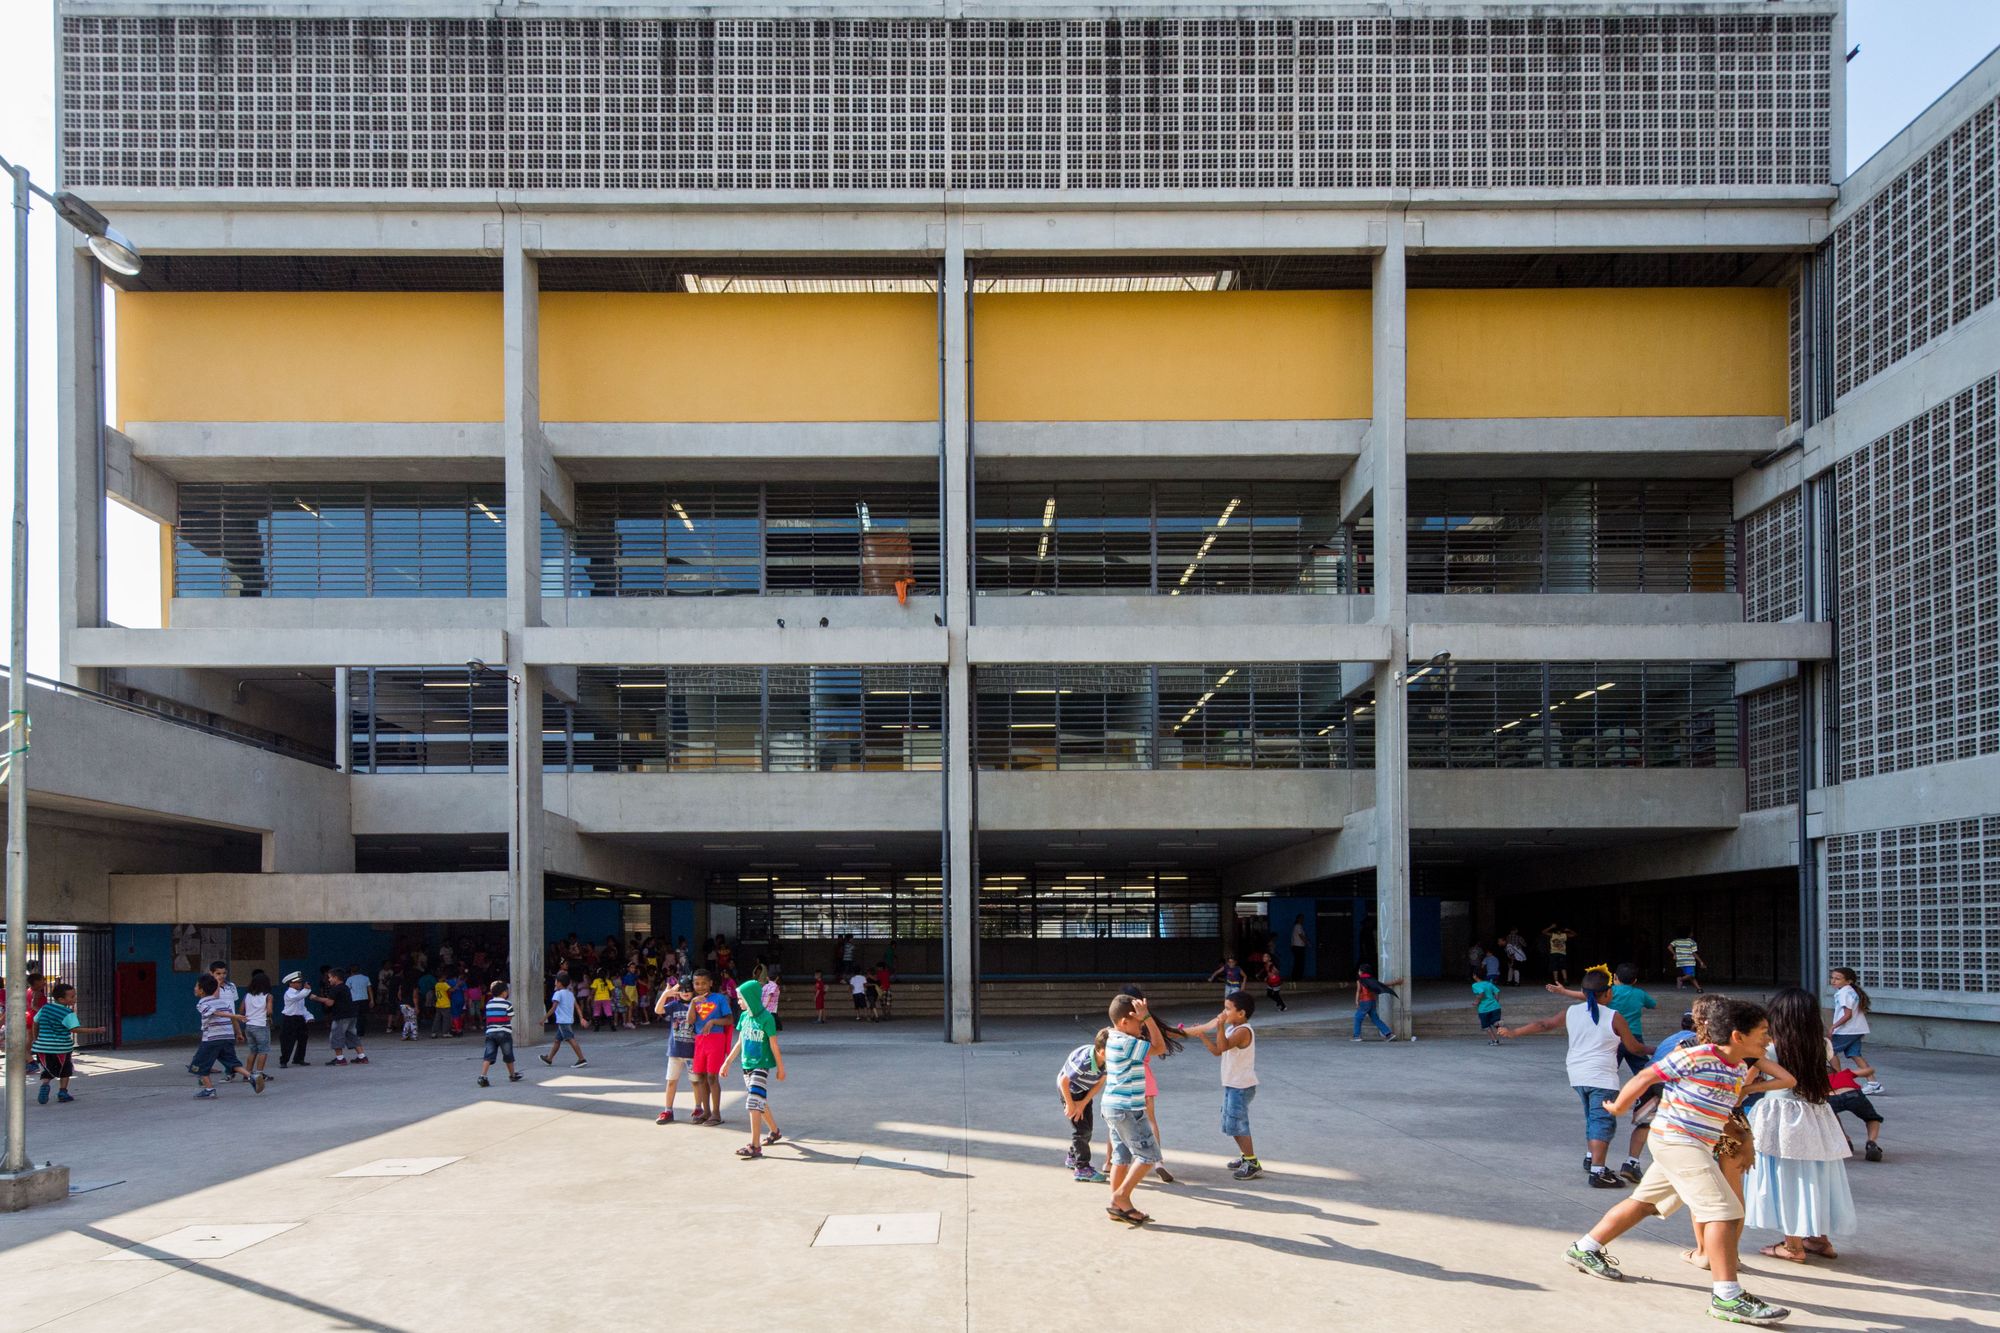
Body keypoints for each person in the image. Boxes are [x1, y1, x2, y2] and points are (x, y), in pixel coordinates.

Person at [1564, 997, 1794, 1327]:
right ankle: (1727, 1297)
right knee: (1724, 1212)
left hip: (1694, 1144)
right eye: (1762, 1032)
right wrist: (1618, 1106)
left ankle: (1584, 1248)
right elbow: (1646, 1077)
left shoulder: (1737, 1066)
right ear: (1736, 1036)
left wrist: (1742, 1129)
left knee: (1644, 1203)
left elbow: (1726, 1104)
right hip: (1678, 1141)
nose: (1768, 1039)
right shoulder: (1695, 1056)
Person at [1496, 968, 1650, 1188]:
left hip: (1578, 1076)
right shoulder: (1614, 1017)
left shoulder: (1572, 1012)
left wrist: (1514, 1032)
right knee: (1602, 1122)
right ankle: (1598, 1172)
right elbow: (1634, 1048)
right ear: (1607, 993)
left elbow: (1544, 1024)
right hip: (1602, 1078)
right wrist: (1658, 1048)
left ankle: (1591, 1157)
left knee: (1593, 1117)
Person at [1744, 987, 1858, 1263]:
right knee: (1815, 1175)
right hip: (1816, 1114)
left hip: (1778, 1114)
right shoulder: (1822, 1044)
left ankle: (1793, 1245)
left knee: (1786, 1176)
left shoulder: (1769, 1049)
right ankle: (1820, 1239)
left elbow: (1745, 1083)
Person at [1102, 993, 1168, 1225]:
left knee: (1121, 1157)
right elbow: (1160, 1047)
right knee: (1149, 1155)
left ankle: (1117, 1205)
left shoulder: (1112, 1036)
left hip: (1114, 1107)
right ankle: (1121, 1196)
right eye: (1138, 1022)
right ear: (1124, 1022)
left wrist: (1143, 1018)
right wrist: (1149, 1017)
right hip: (1127, 1109)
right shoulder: (1126, 1042)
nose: (1142, 1026)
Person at [1189, 991, 1262, 1180]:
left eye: (1228, 1009)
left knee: (1237, 1124)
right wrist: (1204, 1036)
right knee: (1232, 1123)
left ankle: (1252, 1162)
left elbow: (1222, 1047)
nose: (1224, 1012)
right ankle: (1246, 1156)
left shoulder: (1243, 1031)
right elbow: (1217, 1051)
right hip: (1233, 1085)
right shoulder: (1232, 1029)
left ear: (1241, 1013)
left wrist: (1219, 1025)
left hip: (1241, 1087)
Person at [720, 978, 785, 1159]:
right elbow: (740, 1042)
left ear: (751, 998)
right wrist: (727, 1062)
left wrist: (780, 1068)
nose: (738, 1002)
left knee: (753, 1102)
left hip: (761, 1065)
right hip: (746, 1065)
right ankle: (775, 1131)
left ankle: (755, 1146)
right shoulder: (744, 1017)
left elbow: (774, 1045)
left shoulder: (767, 1019)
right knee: (759, 1101)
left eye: (741, 998)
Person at [31, 982, 104, 1104]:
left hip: (42, 1047)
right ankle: (62, 1092)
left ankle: (45, 1085)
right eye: (72, 997)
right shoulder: (67, 1014)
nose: (75, 999)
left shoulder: (45, 1008)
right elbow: (74, 1029)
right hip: (61, 1048)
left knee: (48, 1069)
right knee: (65, 1069)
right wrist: (96, 1030)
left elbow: (35, 1022)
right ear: (61, 999)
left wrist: (36, 1038)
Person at [191, 972, 261, 1098]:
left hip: (212, 1039)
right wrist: (238, 1032)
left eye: (196, 986)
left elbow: (214, 1012)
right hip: (227, 1038)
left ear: (201, 990)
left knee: (199, 1064)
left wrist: (233, 1016)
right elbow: (229, 1016)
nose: (194, 988)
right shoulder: (223, 1003)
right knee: (231, 1062)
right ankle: (252, 1076)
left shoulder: (202, 1004)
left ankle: (209, 1089)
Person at [1058, 1029, 1110, 1183]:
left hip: (1084, 1091)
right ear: (1101, 1052)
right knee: (1081, 1130)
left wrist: (1083, 1103)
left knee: (1088, 1129)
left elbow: (1099, 1083)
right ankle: (1082, 1168)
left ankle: (1073, 1157)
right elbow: (1064, 1082)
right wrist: (1071, 1104)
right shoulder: (1085, 1061)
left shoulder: (1108, 1061)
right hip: (1069, 1091)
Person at [688, 970, 735, 1126]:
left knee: (712, 1077)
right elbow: (690, 1021)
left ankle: (716, 1114)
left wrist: (713, 1021)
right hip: (700, 1040)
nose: (700, 986)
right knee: (700, 1076)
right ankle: (705, 1112)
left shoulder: (719, 998)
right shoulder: (694, 1001)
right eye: (696, 983)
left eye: (703, 983)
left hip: (716, 1040)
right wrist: (693, 1003)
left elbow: (729, 1019)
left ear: (710, 983)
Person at [1828, 966, 1882, 1093]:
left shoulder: (1843, 993)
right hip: (1857, 1029)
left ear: (1848, 981)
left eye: (1838, 979)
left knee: (1830, 1052)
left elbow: (1848, 1014)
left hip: (1847, 1030)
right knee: (1855, 1054)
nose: (1833, 981)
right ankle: (1873, 1083)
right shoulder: (1850, 991)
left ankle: (1839, 1080)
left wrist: (1834, 1026)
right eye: (1832, 978)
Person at [653, 977, 697, 1123]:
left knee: (696, 1082)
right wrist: (666, 994)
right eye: (682, 989)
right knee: (671, 1081)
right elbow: (658, 1010)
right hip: (675, 1051)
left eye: (688, 989)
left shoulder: (696, 1005)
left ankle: (698, 1107)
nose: (685, 992)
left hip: (692, 1052)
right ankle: (668, 1110)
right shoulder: (674, 1005)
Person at [1827, 1066, 1885, 1161]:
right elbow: (1869, 1070)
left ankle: (1845, 1140)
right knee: (1871, 1118)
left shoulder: (1817, 1079)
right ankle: (1871, 1143)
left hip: (1831, 1098)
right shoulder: (1843, 1074)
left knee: (1831, 1116)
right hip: (1853, 1095)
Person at [476, 981, 523, 1087]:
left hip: (490, 1033)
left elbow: (489, 1018)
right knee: (508, 1055)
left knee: (488, 1055)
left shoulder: (489, 1004)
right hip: (504, 1033)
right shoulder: (507, 1004)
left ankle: (483, 1075)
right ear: (504, 992)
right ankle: (512, 1075)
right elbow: (510, 1017)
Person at [279, 970, 327, 1069]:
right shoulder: (289, 993)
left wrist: (309, 1016)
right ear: (291, 983)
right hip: (289, 1018)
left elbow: (302, 1008)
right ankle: (284, 1060)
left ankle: (299, 1058)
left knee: (303, 1039)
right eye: (297, 982)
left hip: (299, 1018)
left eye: (300, 982)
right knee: (288, 1040)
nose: (300, 984)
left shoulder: (300, 993)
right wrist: (307, 990)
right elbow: (296, 998)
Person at [539, 971, 588, 1067]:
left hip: (563, 1021)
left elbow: (553, 1008)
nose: (555, 983)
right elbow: (577, 1007)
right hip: (568, 1020)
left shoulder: (558, 994)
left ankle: (581, 1059)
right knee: (557, 1040)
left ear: (560, 983)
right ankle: (549, 1058)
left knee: (570, 1039)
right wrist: (581, 1018)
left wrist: (544, 1018)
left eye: (556, 981)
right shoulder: (570, 994)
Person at [324, 968, 369, 1065]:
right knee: (352, 1035)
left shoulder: (335, 989)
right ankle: (362, 1056)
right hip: (351, 1015)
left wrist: (316, 998)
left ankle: (340, 1059)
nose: (329, 980)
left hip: (341, 1016)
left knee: (336, 1036)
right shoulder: (345, 987)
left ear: (336, 978)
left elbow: (330, 1003)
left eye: (330, 977)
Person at [1350, 966, 1401, 1042]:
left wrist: (1356, 1001)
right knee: (1375, 1019)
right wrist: (1395, 982)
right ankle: (1388, 1034)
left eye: (1359, 971)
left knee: (1358, 1017)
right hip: (1372, 1001)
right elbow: (1383, 985)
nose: (1358, 972)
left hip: (1364, 1001)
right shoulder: (1372, 980)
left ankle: (1356, 1036)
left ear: (1362, 972)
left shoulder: (1360, 980)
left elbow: (1358, 991)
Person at [241, 972, 274, 1082]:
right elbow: (269, 1011)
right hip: (261, 1025)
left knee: (253, 1050)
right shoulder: (268, 996)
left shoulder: (247, 995)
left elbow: (241, 1010)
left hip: (249, 1025)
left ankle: (247, 1073)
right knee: (263, 1050)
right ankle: (259, 1074)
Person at [1471, 974, 1503, 1045]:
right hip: (1495, 1007)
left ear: (1475, 976)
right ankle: (1499, 1024)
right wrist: (1496, 1001)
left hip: (1484, 1009)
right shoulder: (1489, 984)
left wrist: (1476, 1002)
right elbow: (1497, 992)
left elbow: (1481, 993)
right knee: (1494, 1022)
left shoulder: (1475, 985)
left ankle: (1494, 1041)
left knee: (1486, 1026)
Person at [346, 964, 372, 1037]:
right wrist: (372, 1000)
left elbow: (347, 991)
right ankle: (361, 1031)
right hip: (364, 998)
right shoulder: (365, 978)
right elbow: (369, 989)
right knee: (363, 1016)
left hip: (354, 999)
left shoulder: (349, 979)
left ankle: (356, 1031)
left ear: (351, 971)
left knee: (355, 1016)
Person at [430, 972, 453, 1039]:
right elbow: (451, 990)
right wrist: (458, 984)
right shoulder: (444, 984)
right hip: (445, 1004)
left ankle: (434, 1033)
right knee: (446, 1019)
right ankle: (445, 1033)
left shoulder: (437, 985)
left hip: (438, 1004)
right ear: (442, 977)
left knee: (437, 1019)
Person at [1289, 915, 1308, 979]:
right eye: (1302, 919)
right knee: (1299, 962)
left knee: (1297, 962)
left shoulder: (1296, 926)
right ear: (1299, 919)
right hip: (1299, 946)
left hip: (1296, 946)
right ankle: (1297, 976)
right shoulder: (1298, 926)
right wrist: (1307, 943)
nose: (1303, 920)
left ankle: (1296, 976)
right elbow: (1301, 936)